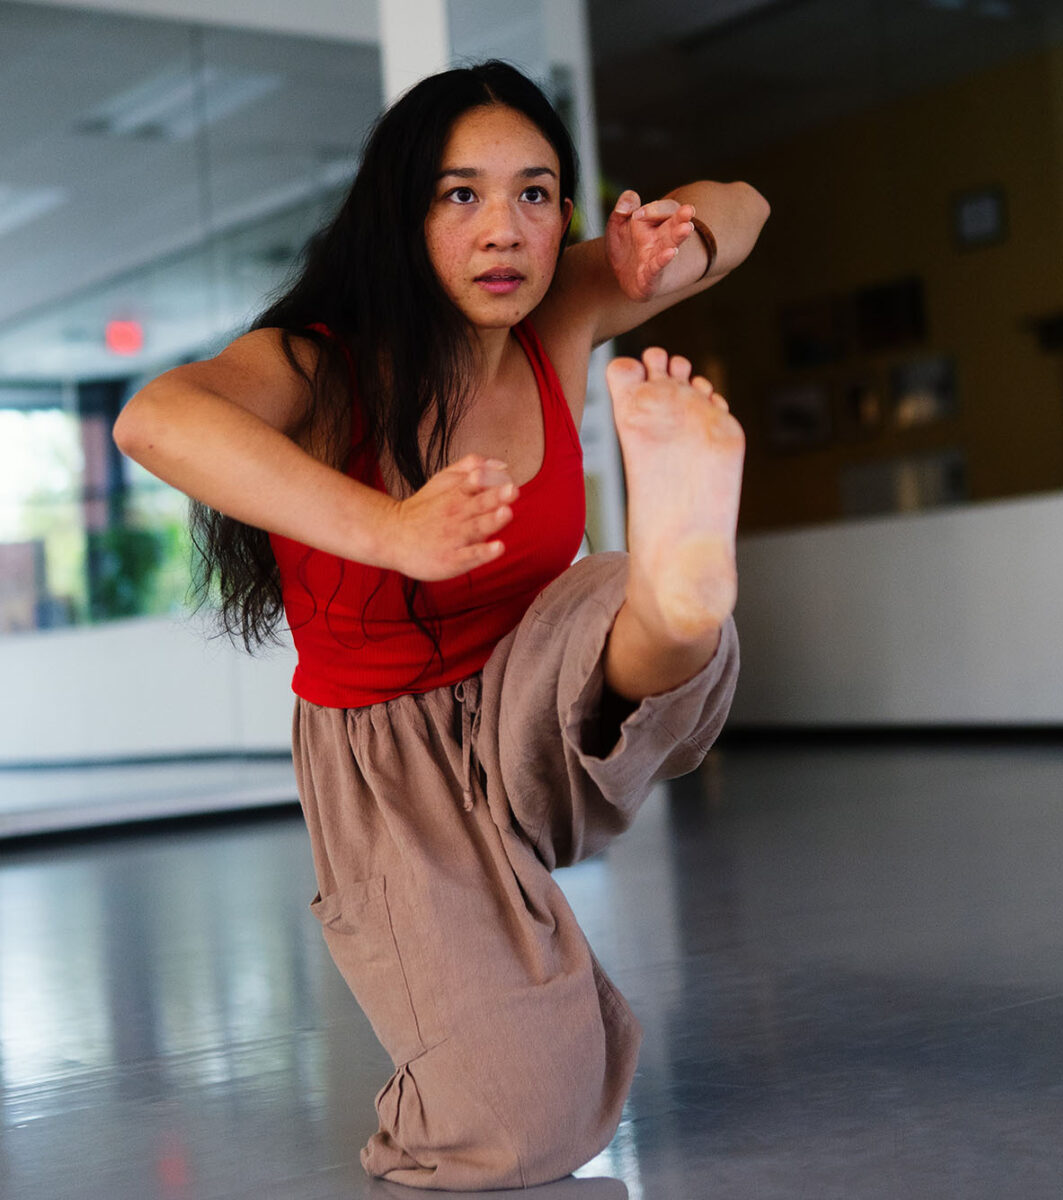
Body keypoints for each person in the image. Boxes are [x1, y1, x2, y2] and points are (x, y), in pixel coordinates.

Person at [114, 60, 769, 1191]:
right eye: (460, 195)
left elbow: (746, 204)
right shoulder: (317, 362)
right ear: (400, 212)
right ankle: (669, 612)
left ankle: (681, 595)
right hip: (391, 768)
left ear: (563, 209)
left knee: (630, 596)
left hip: (542, 697)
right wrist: (390, 530)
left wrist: (678, 239)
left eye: (535, 192)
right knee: (523, 1129)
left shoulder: (557, 314)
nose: (503, 229)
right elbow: (154, 418)